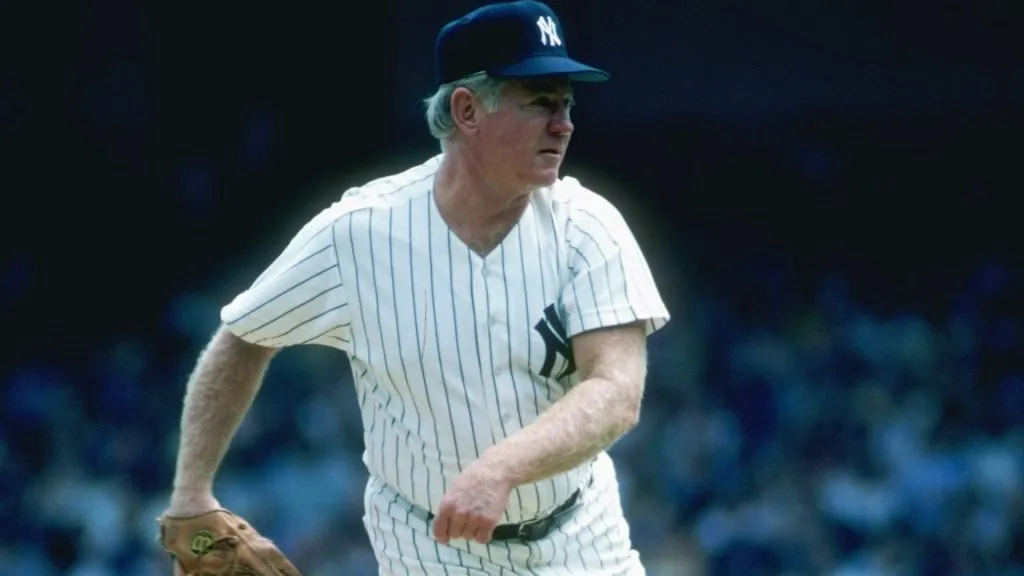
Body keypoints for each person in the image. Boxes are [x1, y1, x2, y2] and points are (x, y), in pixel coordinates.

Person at [162, 1, 671, 574]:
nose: (564, 123)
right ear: (466, 109)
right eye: (540, 102)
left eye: (566, 103)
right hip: (428, 546)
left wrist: (500, 467)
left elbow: (616, 391)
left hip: (580, 537)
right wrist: (191, 494)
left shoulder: (588, 226)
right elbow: (243, 337)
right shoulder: (359, 232)